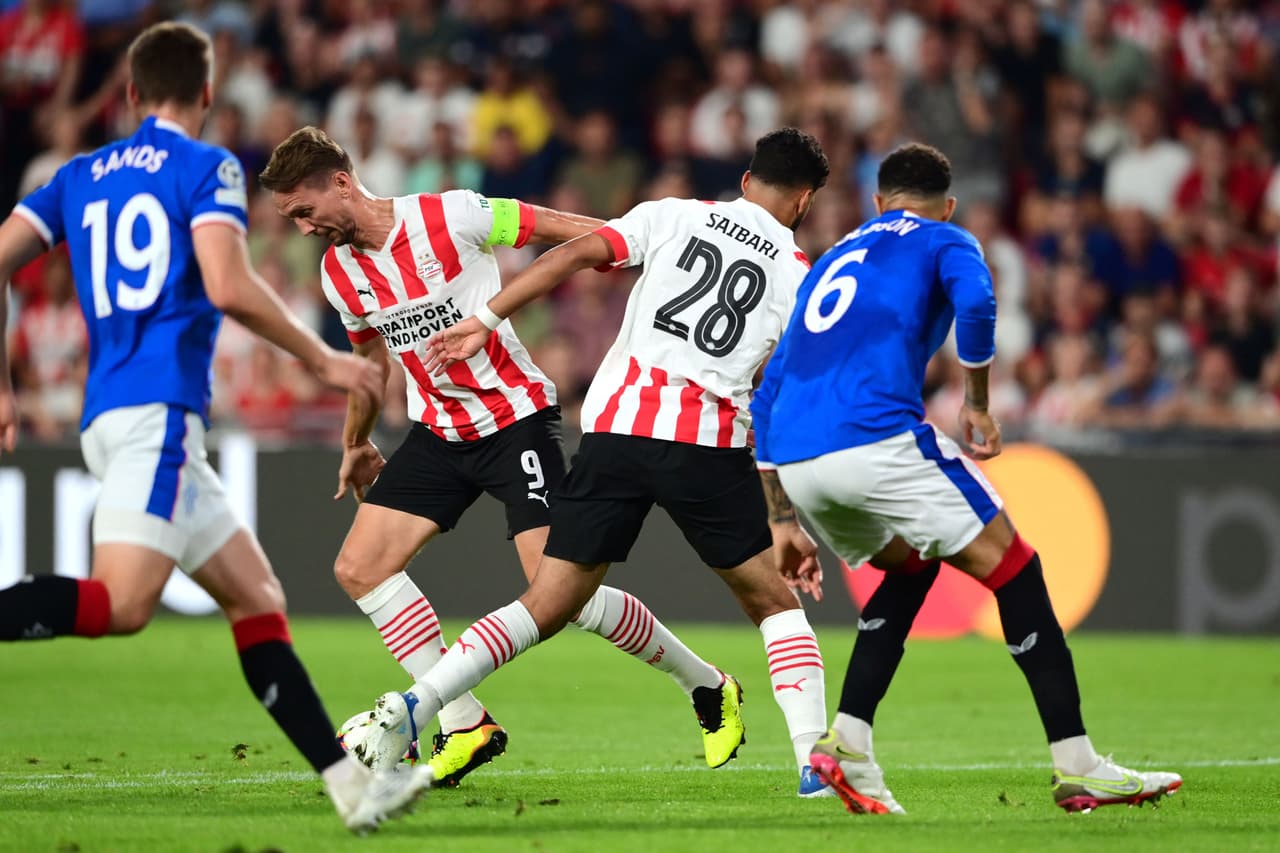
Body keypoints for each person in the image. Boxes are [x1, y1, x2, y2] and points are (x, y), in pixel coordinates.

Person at [0, 23, 428, 833]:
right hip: (156, 410)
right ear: (205, 94)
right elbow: (228, 286)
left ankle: (351, 786)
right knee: (124, 605)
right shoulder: (206, 166)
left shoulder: (76, 174)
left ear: (128, 94)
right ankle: (351, 784)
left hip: (118, 411)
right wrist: (324, 361)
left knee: (257, 597)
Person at [258, 126, 767, 788]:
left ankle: (706, 684)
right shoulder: (339, 274)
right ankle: (465, 721)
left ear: (342, 183)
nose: (303, 229)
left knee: (565, 596)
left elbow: (567, 230)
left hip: (514, 422)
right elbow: (369, 358)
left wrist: (647, 248)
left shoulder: (453, 214)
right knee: (359, 565)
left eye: (304, 210)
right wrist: (357, 441)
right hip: (438, 432)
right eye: (291, 219)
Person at [359, 128, 835, 798]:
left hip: (616, 430)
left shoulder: (677, 212)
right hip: (708, 439)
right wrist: (783, 516)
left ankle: (419, 702)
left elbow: (578, 252)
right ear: (805, 200)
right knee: (774, 602)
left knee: (548, 599)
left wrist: (487, 318)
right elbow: (781, 397)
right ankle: (814, 762)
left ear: (749, 177)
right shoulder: (800, 274)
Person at [749, 142, 1182, 815]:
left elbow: (766, 390)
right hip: (877, 439)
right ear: (947, 206)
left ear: (876, 202)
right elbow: (977, 306)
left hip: (799, 463)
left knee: (912, 567)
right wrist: (977, 403)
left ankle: (851, 744)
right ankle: (1078, 763)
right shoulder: (946, 239)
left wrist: (781, 517)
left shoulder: (833, 257)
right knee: (1016, 569)